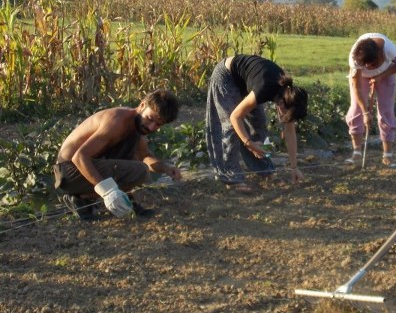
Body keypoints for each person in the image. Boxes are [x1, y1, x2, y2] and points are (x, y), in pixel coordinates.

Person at [54, 89, 182, 220]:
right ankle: (81, 199)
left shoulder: (137, 127)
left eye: (158, 125)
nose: (151, 127)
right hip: (69, 171)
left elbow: (144, 157)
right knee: (139, 170)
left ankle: (88, 199)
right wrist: (108, 192)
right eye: (150, 119)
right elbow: (79, 157)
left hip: (85, 167)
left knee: (137, 163)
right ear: (142, 105)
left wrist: (166, 168)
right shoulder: (117, 121)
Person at [205, 54, 308, 192]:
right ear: (281, 103)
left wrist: (294, 168)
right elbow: (235, 117)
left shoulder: (288, 94)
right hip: (226, 76)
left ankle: (265, 171)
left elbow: (290, 131)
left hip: (246, 81)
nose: (285, 118)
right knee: (230, 128)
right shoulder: (265, 88)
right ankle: (232, 179)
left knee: (258, 124)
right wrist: (249, 143)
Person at [345, 33, 396, 168]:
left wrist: (381, 76)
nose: (370, 68)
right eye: (366, 65)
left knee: (386, 111)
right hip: (361, 78)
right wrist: (366, 112)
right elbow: (356, 86)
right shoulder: (355, 57)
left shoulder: (388, 49)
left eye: (373, 64)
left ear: (379, 55)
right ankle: (356, 153)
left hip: (386, 74)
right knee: (356, 109)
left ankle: (387, 155)